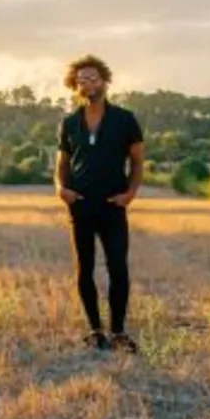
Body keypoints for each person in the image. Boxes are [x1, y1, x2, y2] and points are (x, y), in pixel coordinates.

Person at [54, 54, 144, 353]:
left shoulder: (125, 119)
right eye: (81, 81)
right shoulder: (69, 123)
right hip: (80, 205)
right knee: (85, 268)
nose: (87, 84)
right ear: (74, 86)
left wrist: (129, 194)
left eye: (92, 78)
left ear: (104, 81)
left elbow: (138, 162)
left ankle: (118, 331)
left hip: (113, 204)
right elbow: (62, 164)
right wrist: (60, 189)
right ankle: (95, 330)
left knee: (119, 268)